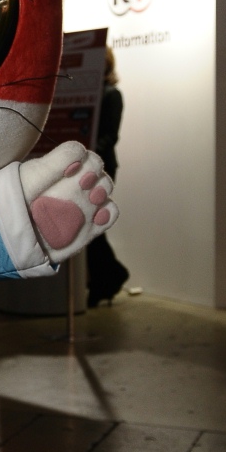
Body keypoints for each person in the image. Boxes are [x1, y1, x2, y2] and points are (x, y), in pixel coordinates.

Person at [87, 46, 130, 307]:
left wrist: (88, 155)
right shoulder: (91, 93)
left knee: (91, 225)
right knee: (89, 225)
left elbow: (110, 136)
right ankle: (109, 276)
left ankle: (108, 277)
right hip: (85, 166)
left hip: (101, 168)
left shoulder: (112, 94)